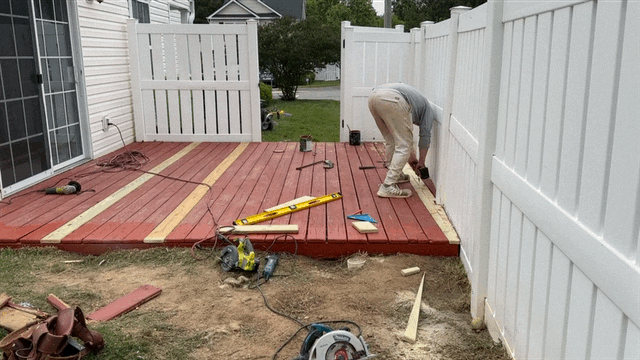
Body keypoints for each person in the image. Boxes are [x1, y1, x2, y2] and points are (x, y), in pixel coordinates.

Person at [368, 83, 435, 198]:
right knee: (404, 145)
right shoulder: (428, 112)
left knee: (391, 140)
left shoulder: (417, 104)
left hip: (373, 98)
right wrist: (421, 162)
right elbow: (425, 137)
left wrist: (414, 159)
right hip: (392, 99)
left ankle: (396, 175)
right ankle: (388, 185)